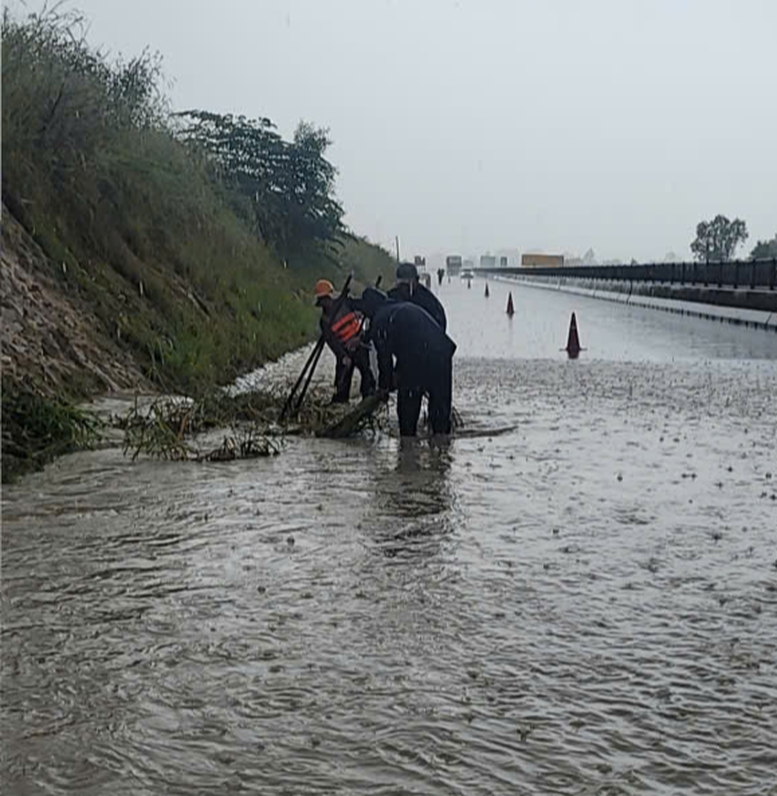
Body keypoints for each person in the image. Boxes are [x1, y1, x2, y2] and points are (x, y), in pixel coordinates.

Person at [358, 288, 456, 436]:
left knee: (408, 414)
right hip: (443, 352)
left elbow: (384, 359)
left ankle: (408, 445)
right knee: (440, 414)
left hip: (416, 358)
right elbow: (408, 337)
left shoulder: (380, 318)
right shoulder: (398, 307)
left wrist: (384, 386)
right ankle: (441, 446)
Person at [314, 279, 375, 404]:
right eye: (323, 300)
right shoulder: (324, 321)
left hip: (359, 343)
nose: (326, 302)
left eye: (327, 299)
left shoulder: (345, 303)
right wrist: (343, 356)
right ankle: (339, 403)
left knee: (366, 373)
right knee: (342, 382)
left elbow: (362, 307)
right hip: (344, 349)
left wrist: (363, 311)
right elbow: (332, 343)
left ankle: (368, 398)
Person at [387, 262, 447, 331]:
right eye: (402, 284)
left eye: (407, 284)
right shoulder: (427, 299)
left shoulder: (426, 300)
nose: (404, 289)